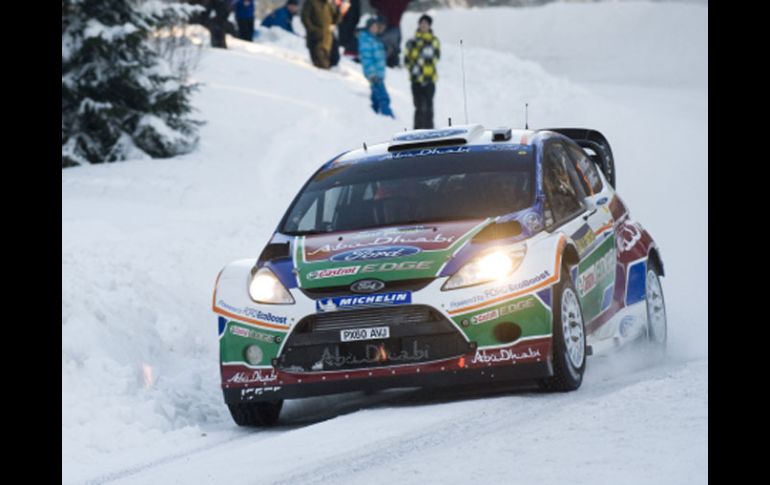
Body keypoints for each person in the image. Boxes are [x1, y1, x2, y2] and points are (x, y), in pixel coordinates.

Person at [404, 14, 440, 129]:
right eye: (422, 23)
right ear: (419, 25)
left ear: (429, 26)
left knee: (429, 106)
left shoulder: (434, 41)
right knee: (419, 106)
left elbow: (436, 57)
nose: (424, 26)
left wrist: (422, 60)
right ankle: (417, 131)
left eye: (426, 24)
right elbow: (406, 59)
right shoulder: (411, 41)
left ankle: (430, 131)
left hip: (429, 80)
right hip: (416, 80)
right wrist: (414, 68)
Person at [358, 16, 394, 118]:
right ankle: (388, 116)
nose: (374, 29)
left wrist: (387, 53)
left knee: (376, 98)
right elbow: (367, 58)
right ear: (368, 27)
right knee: (383, 97)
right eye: (372, 27)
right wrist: (371, 73)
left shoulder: (376, 40)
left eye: (376, 27)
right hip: (374, 75)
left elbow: (379, 56)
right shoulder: (366, 40)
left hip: (379, 73)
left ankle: (375, 115)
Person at [301, 0, 342, 69]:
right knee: (321, 65)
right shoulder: (311, 2)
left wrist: (339, 10)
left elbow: (336, 20)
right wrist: (313, 30)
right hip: (315, 40)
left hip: (328, 39)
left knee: (334, 62)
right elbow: (305, 18)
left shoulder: (330, 4)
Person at [369, 0, 411, 67]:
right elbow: (373, 3)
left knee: (391, 46)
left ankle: (392, 60)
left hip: (392, 26)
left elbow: (372, 3)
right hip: (382, 25)